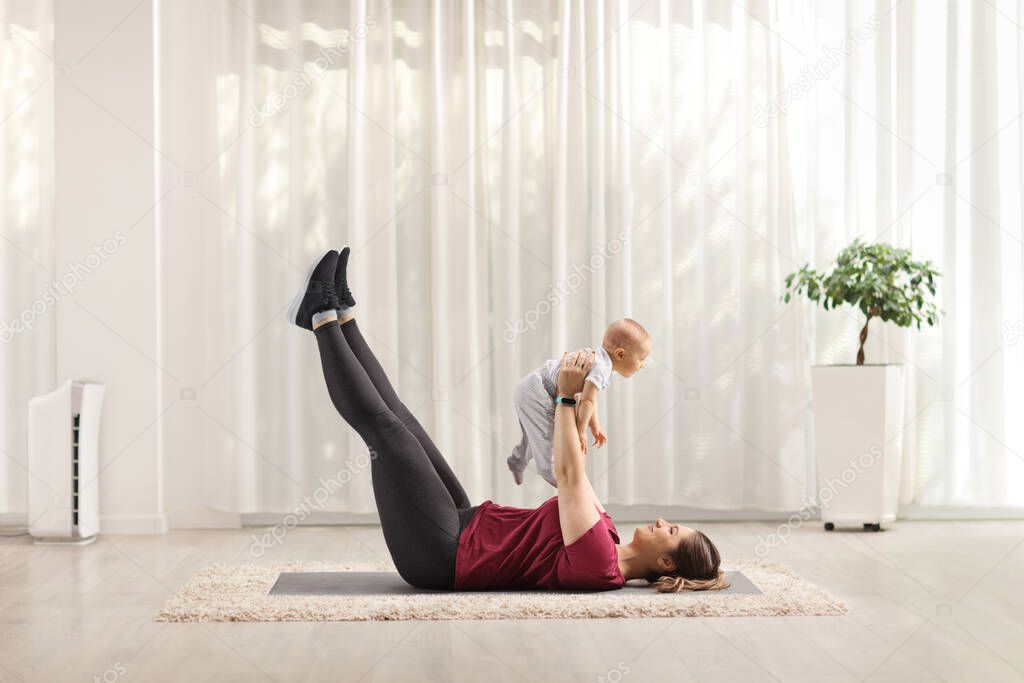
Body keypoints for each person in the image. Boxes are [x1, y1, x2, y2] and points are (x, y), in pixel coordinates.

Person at [288, 248, 728, 592]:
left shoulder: (600, 560)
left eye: (670, 531)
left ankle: (319, 317)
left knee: (386, 431)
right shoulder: (607, 536)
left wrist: (566, 396)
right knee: (401, 418)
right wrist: (573, 401)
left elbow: (569, 474)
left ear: (667, 563)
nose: (661, 521)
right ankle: (342, 315)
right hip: (465, 522)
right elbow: (573, 466)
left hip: (444, 554)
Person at [506, 318, 651, 486]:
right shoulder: (601, 367)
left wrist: (594, 427)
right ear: (620, 354)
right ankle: (556, 477)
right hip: (537, 391)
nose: (642, 366)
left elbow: (590, 399)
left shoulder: (601, 362)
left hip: (530, 387)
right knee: (546, 439)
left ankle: (517, 460)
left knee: (534, 437)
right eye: (641, 359)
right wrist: (581, 431)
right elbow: (587, 401)